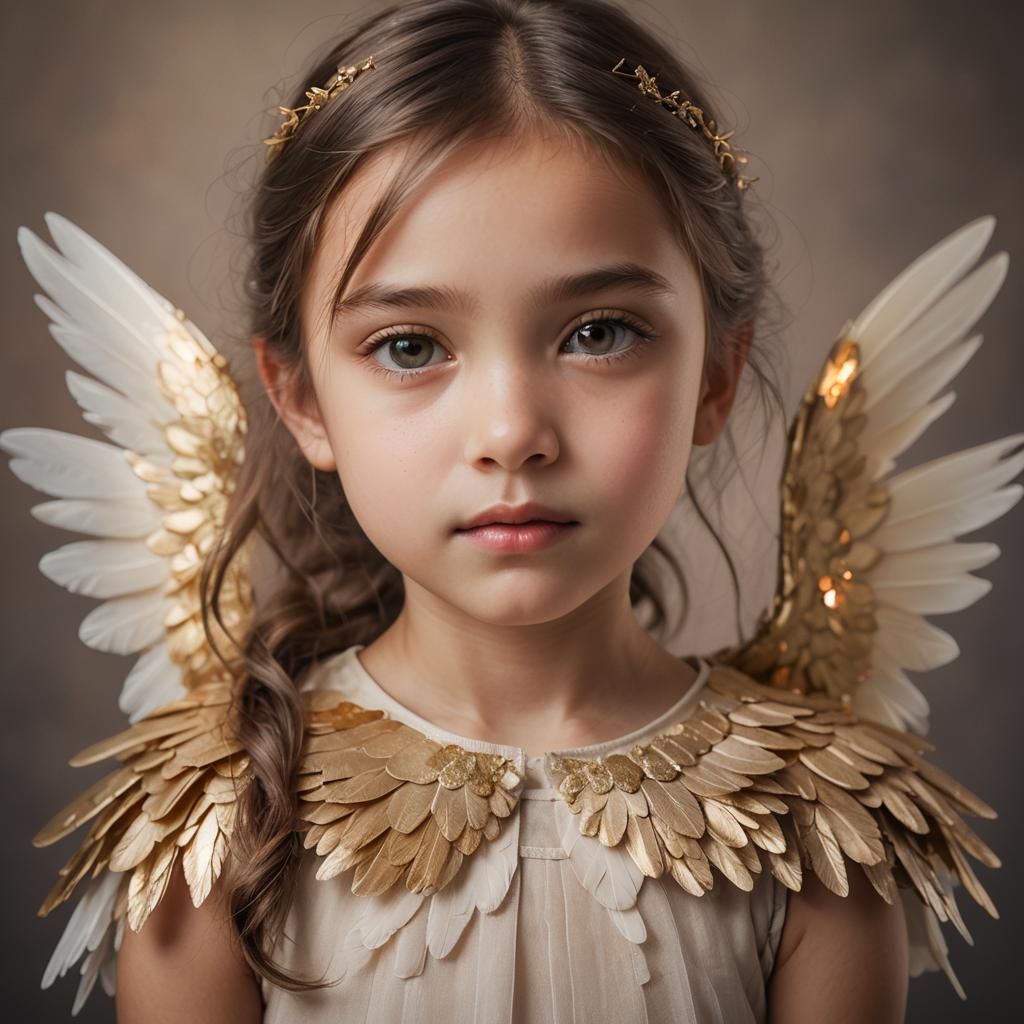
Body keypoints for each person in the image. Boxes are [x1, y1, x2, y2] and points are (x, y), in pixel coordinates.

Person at [4, 1, 1017, 1021]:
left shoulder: (815, 823)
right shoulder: (217, 823)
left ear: (715, 373)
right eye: (409, 345)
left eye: (599, 333)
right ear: (301, 396)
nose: (511, 431)